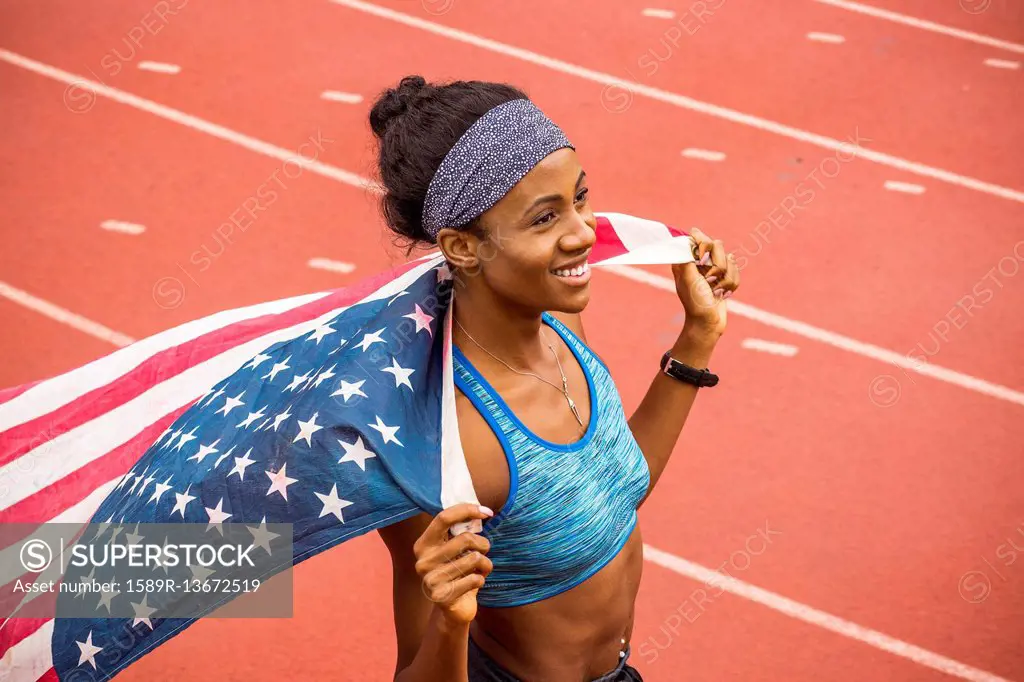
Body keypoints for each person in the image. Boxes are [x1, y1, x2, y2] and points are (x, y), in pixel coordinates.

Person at [370, 75, 739, 682]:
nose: (584, 232)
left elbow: (608, 498)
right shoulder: (446, 441)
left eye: (580, 197)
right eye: (545, 218)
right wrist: (450, 622)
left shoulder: (564, 332)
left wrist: (697, 337)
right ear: (463, 247)